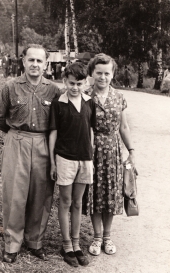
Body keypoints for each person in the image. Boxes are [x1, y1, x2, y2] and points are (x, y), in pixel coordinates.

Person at [0, 44, 61, 263]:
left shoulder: (54, 90)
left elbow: (58, 123)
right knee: (15, 193)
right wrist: (15, 134)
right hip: (17, 140)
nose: (35, 64)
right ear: (23, 61)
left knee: (41, 193)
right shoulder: (10, 87)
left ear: (46, 64)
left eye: (40, 61)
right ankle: (12, 244)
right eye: (31, 60)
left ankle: (35, 241)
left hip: (43, 143)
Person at [83, 53, 136, 256]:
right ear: (92, 73)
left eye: (107, 73)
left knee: (110, 193)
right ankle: (96, 238)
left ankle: (107, 236)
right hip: (92, 149)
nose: (102, 77)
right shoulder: (85, 95)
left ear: (112, 74)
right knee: (95, 193)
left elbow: (123, 126)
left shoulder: (119, 97)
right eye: (98, 73)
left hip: (113, 150)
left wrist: (131, 151)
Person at [49, 62, 96, 267]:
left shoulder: (89, 102)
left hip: (84, 158)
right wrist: (52, 162)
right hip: (65, 158)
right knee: (65, 202)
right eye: (71, 83)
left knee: (78, 202)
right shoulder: (58, 103)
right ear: (64, 81)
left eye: (79, 83)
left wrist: (90, 154)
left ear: (85, 83)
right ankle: (66, 245)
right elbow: (53, 133)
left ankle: (76, 245)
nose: (75, 87)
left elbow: (91, 129)